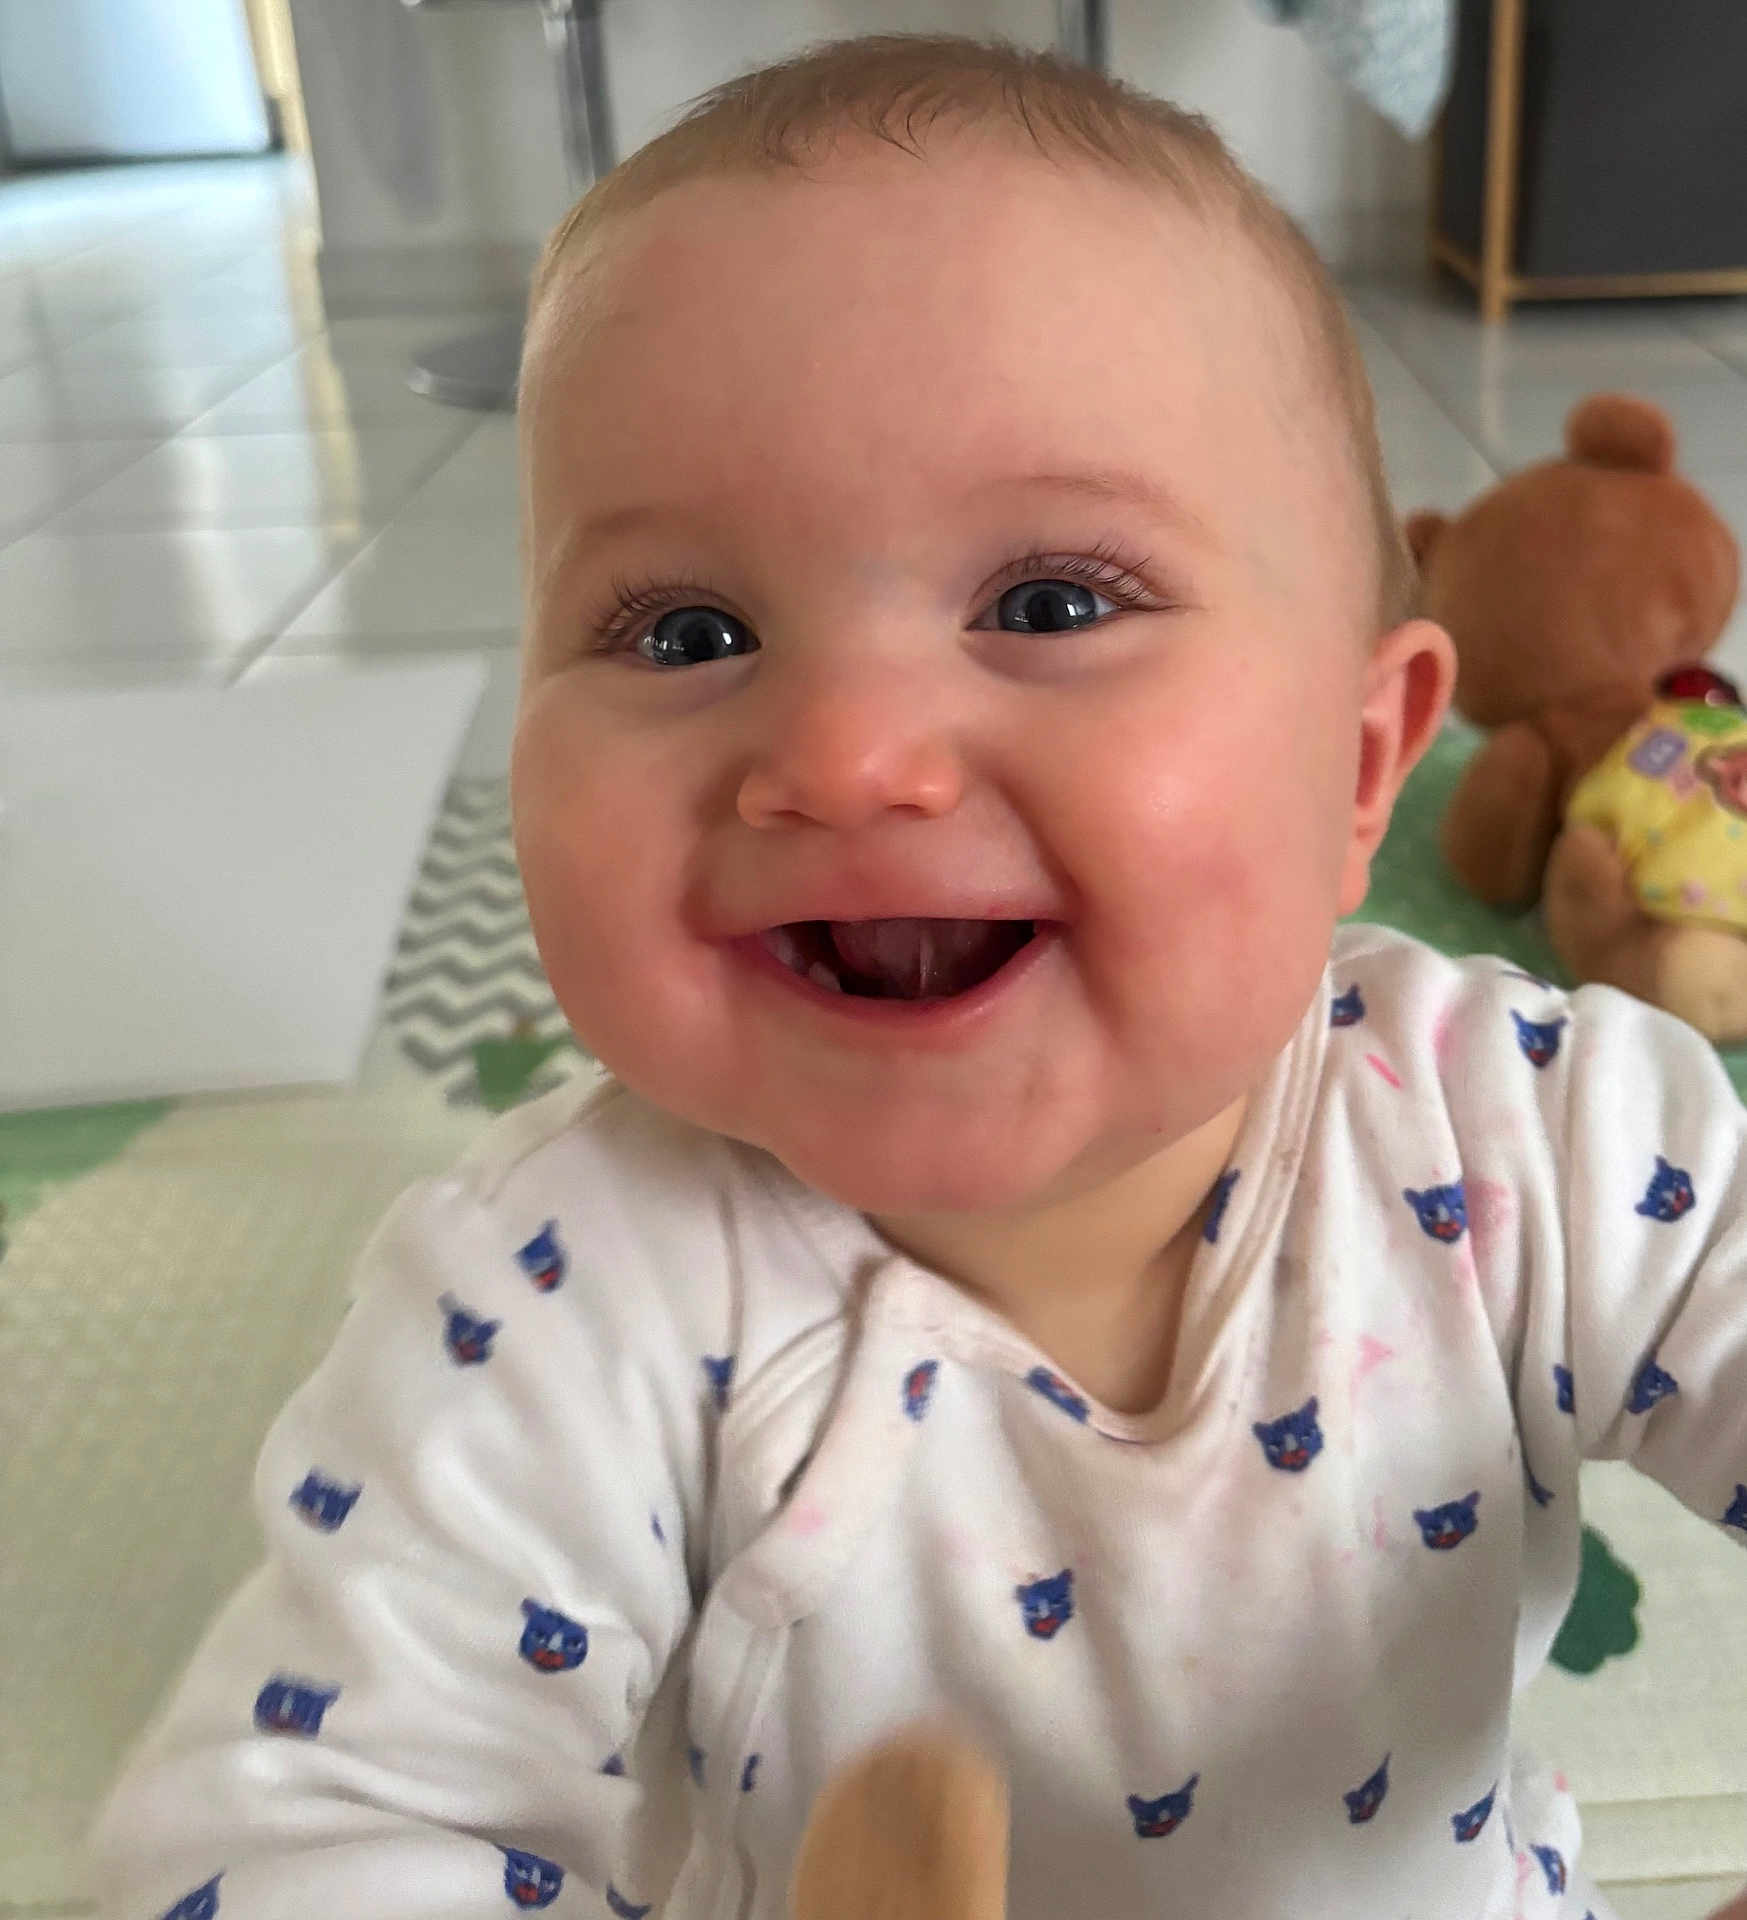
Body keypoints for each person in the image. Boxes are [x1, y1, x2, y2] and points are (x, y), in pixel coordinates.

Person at [89, 33, 1747, 1920]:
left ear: (1361, 766)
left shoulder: (1529, 1139)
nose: (846, 755)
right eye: (687, 630)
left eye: (1050, 603)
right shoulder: (555, 1303)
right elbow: (301, 1838)